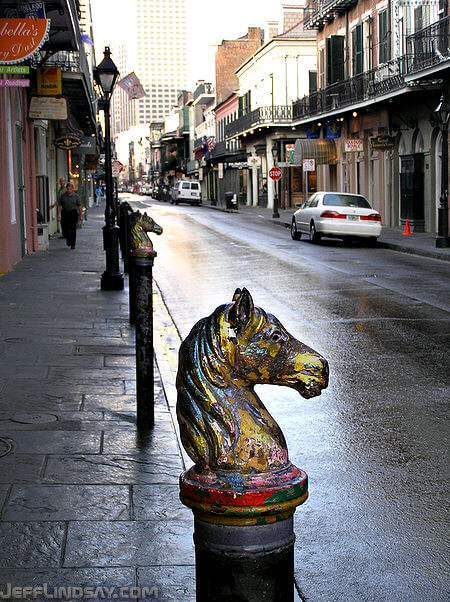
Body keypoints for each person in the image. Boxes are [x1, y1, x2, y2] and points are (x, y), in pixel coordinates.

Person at [58, 183, 83, 249]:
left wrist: (81, 215)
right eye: (68, 189)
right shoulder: (63, 196)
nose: (69, 190)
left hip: (73, 213)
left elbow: (79, 206)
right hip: (65, 212)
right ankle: (68, 239)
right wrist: (58, 215)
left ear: (72, 189)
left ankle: (73, 244)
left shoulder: (76, 196)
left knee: (73, 228)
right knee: (65, 228)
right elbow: (59, 205)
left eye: (70, 189)